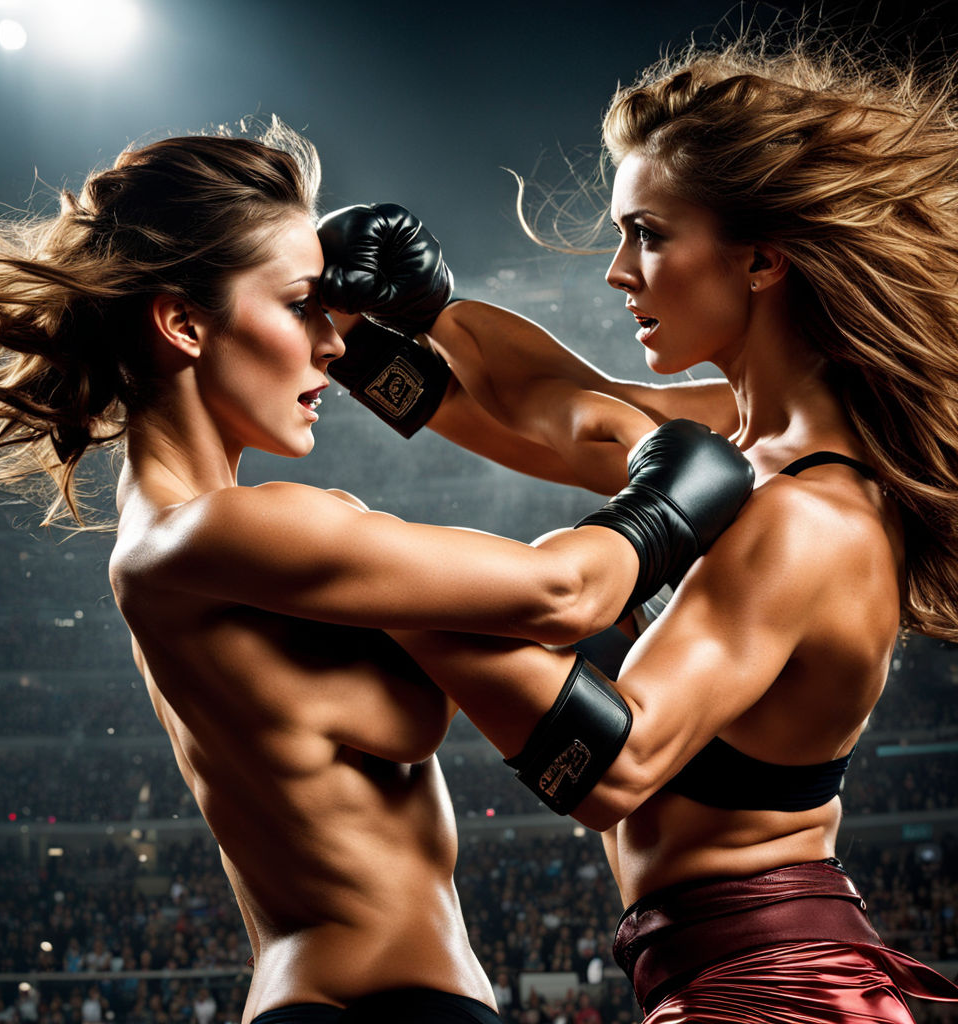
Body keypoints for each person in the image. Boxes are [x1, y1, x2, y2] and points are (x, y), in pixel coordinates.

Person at [0, 125, 753, 1022]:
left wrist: (408, 321)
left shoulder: (195, 543)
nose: (330, 343)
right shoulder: (225, 532)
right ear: (182, 323)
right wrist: (669, 501)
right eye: (299, 307)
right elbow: (564, 591)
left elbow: (526, 428)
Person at [317, 28, 958, 1024]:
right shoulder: (727, 442)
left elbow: (617, 768)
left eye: (649, 235)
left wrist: (377, 580)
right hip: (720, 974)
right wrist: (394, 317)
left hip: (773, 993)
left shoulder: (810, 516)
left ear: (760, 259)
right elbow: (527, 407)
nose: (619, 271)